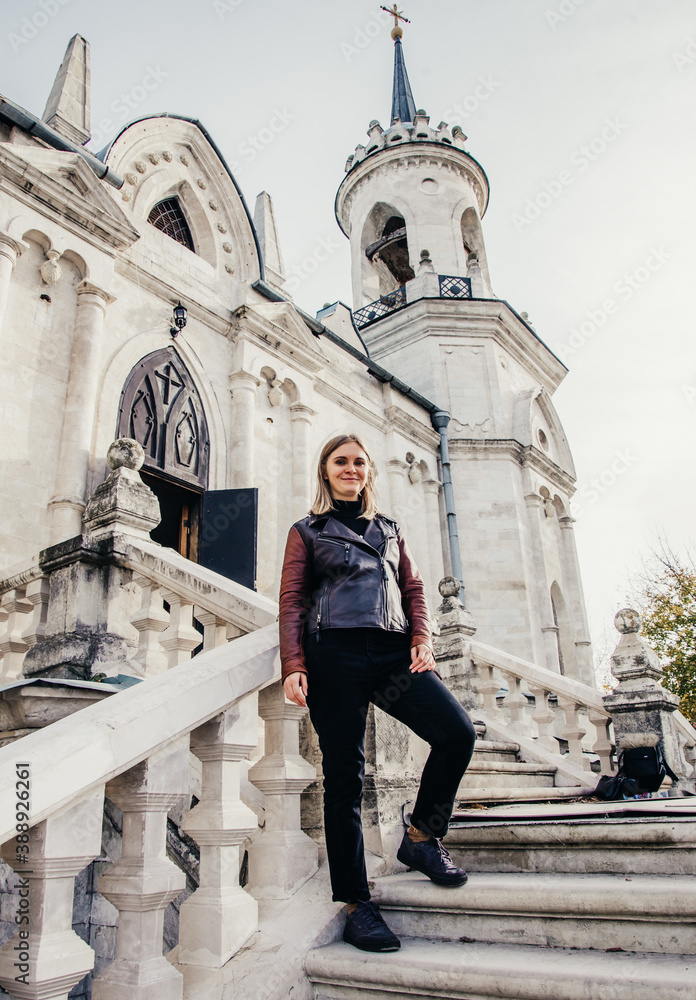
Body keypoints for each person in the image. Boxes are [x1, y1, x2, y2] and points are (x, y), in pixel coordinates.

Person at [279, 433, 476, 952]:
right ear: (325, 471)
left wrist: (423, 637)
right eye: (340, 461)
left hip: (392, 653)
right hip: (334, 655)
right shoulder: (307, 530)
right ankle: (356, 902)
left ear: (369, 472)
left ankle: (421, 838)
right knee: (345, 777)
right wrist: (294, 663)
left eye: (358, 462)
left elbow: (412, 587)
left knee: (456, 733)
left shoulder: (390, 529)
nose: (350, 468)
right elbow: (293, 601)